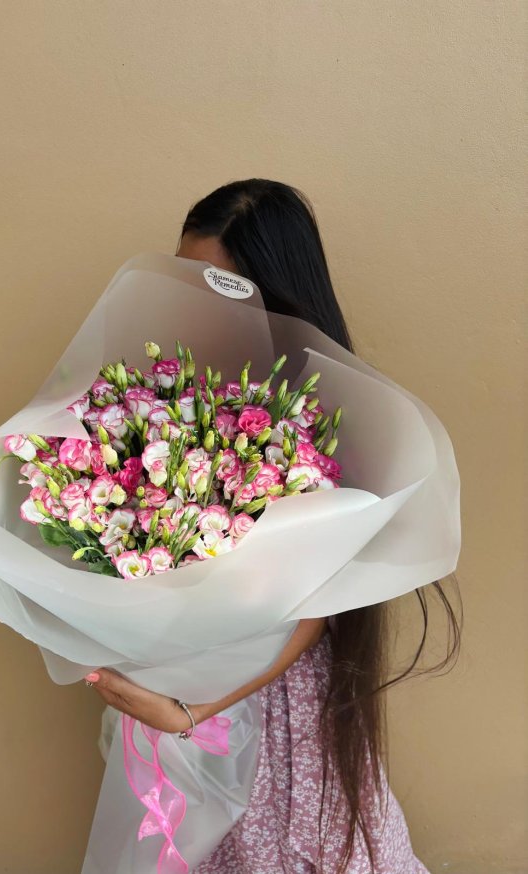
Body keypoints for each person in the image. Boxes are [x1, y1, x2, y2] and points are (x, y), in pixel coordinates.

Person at [84, 179, 462, 873]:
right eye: (183, 277)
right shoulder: (174, 394)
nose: (194, 302)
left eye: (218, 287)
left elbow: (319, 605)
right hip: (186, 678)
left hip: (277, 700)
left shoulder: (330, 409)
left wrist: (193, 709)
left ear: (273, 291)